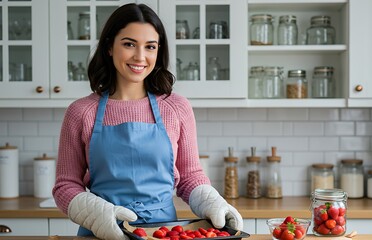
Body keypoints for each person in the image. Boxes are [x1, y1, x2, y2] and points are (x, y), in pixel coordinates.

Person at [53, 3, 243, 240]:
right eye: (129, 44)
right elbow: (65, 186)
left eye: (150, 46)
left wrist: (213, 203)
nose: (140, 57)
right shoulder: (81, 112)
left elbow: (190, 177)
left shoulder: (176, 108)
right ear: (110, 47)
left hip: (163, 233)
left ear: (158, 51)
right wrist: (97, 214)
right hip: (100, 232)